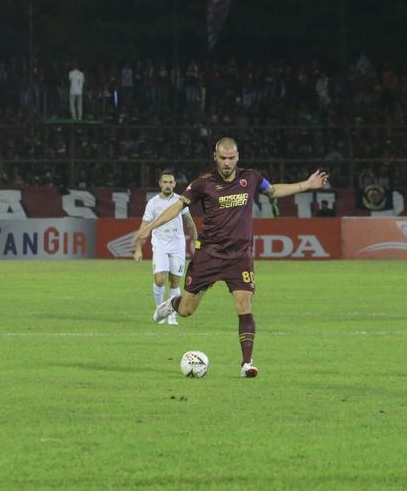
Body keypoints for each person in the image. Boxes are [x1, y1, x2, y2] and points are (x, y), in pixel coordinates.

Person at [134, 137, 328, 378]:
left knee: (244, 304)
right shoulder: (202, 184)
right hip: (209, 255)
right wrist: (149, 227)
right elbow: (177, 207)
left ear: (238, 157)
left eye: (231, 158)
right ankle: (170, 305)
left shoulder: (252, 178)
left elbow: (274, 191)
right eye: (223, 158)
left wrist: (306, 185)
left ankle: (247, 363)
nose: (227, 163)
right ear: (215, 157)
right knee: (186, 310)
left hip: (240, 257)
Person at [134, 169, 198, 326]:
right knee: (160, 279)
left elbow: (189, 223)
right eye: (165, 182)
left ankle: (172, 315)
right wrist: (138, 248)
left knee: (175, 282)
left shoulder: (181, 201)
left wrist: (197, 244)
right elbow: (144, 225)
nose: (168, 185)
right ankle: (159, 309)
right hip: (160, 245)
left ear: (175, 184)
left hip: (177, 245)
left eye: (171, 182)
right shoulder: (153, 203)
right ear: (160, 184)